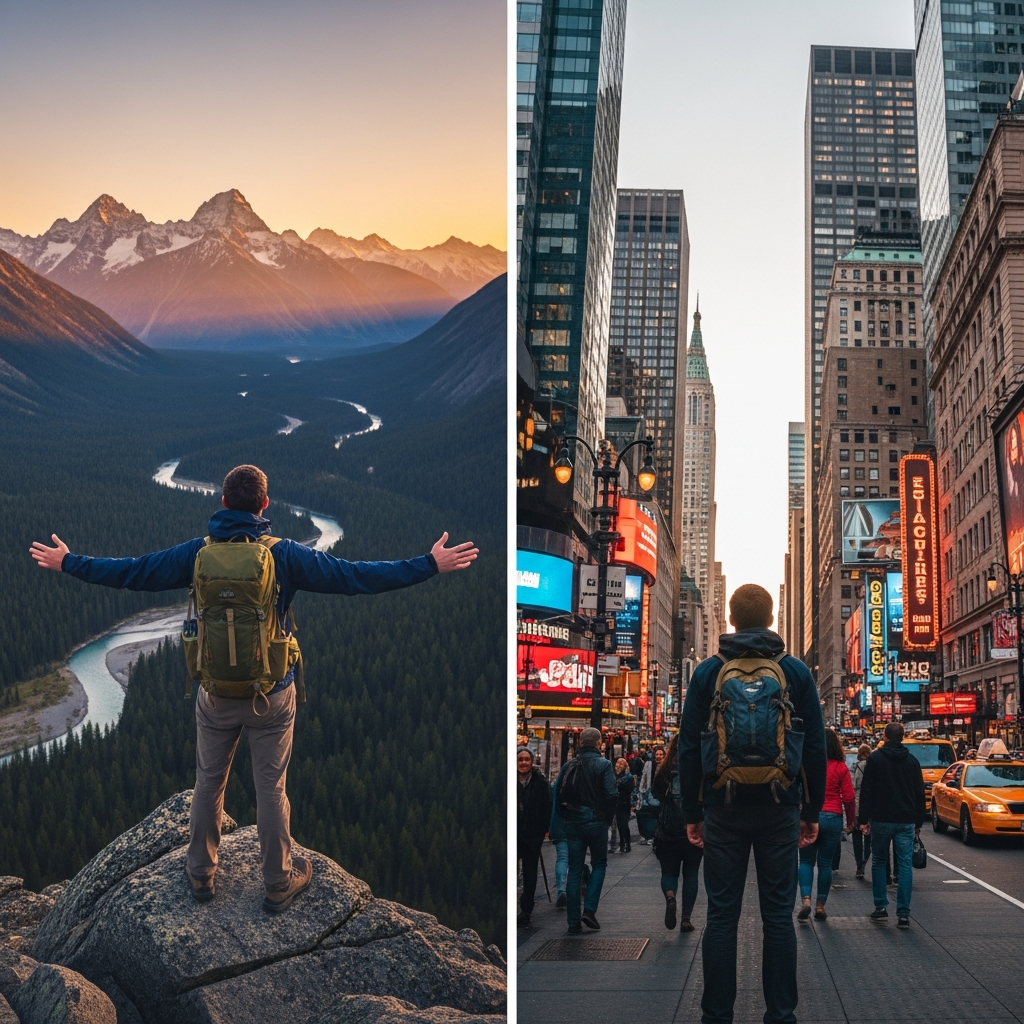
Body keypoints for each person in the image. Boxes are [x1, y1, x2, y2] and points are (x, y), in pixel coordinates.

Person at [29, 464, 477, 913]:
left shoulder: (197, 553)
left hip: (216, 694)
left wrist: (69, 562)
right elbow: (356, 577)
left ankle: (201, 874)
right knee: (271, 788)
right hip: (272, 695)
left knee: (208, 783)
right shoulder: (285, 555)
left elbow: (133, 571)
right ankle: (278, 881)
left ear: (223, 503)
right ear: (265, 505)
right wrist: (428, 565)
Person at [679, 584, 826, 1024]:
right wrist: (811, 811)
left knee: (721, 916)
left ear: (730, 619)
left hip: (723, 809)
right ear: (773, 617)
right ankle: (780, 1015)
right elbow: (815, 746)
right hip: (780, 807)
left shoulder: (708, 671)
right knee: (778, 917)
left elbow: (688, 746)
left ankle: (716, 1015)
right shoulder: (795, 671)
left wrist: (693, 812)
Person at [858, 721, 926, 929]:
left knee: (879, 861)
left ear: (885, 737)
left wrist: (863, 819)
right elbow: (919, 794)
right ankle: (903, 913)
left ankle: (881, 907)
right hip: (905, 820)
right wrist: (918, 821)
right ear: (902, 737)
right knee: (904, 864)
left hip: (880, 819)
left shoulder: (875, 759)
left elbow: (867, 791)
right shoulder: (912, 762)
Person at [550, 726, 617, 933]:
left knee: (575, 869)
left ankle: (573, 922)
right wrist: (606, 818)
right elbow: (611, 794)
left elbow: (556, 792)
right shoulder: (604, 765)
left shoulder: (569, 765)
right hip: (596, 822)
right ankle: (589, 909)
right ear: (599, 743)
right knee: (599, 864)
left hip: (573, 822)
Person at [798, 729, 855, 922]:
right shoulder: (840, 767)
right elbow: (848, 797)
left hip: (809, 815)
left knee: (806, 861)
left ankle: (805, 899)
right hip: (833, 817)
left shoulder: (807, 765)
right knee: (825, 864)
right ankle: (820, 905)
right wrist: (851, 820)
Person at [652, 733, 703, 932]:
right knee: (691, 874)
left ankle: (671, 896)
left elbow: (656, 795)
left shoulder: (664, 769)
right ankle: (686, 919)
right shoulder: (698, 768)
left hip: (667, 830)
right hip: (694, 828)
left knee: (669, 872)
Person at [517, 746, 552, 928]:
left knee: (530, 873)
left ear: (531, 762)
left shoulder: (540, 783)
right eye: (520, 759)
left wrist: (542, 830)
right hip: (514, 835)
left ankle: (526, 910)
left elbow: (546, 808)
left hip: (532, 835)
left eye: (526, 759)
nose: (523, 763)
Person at [851, 743, 872, 879]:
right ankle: (865, 859)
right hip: (869, 805)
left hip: (856, 804)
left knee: (856, 836)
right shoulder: (872, 766)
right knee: (868, 837)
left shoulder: (854, 767)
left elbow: (851, 785)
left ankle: (859, 865)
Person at [614, 757, 634, 853]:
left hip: (625, 803)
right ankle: (623, 844)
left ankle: (626, 844)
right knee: (620, 824)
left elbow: (629, 789)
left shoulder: (628, 777)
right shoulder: (615, 776)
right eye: (618, 763)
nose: (619, 765)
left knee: (624, 824)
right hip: (618, 803)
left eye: (621, 764)